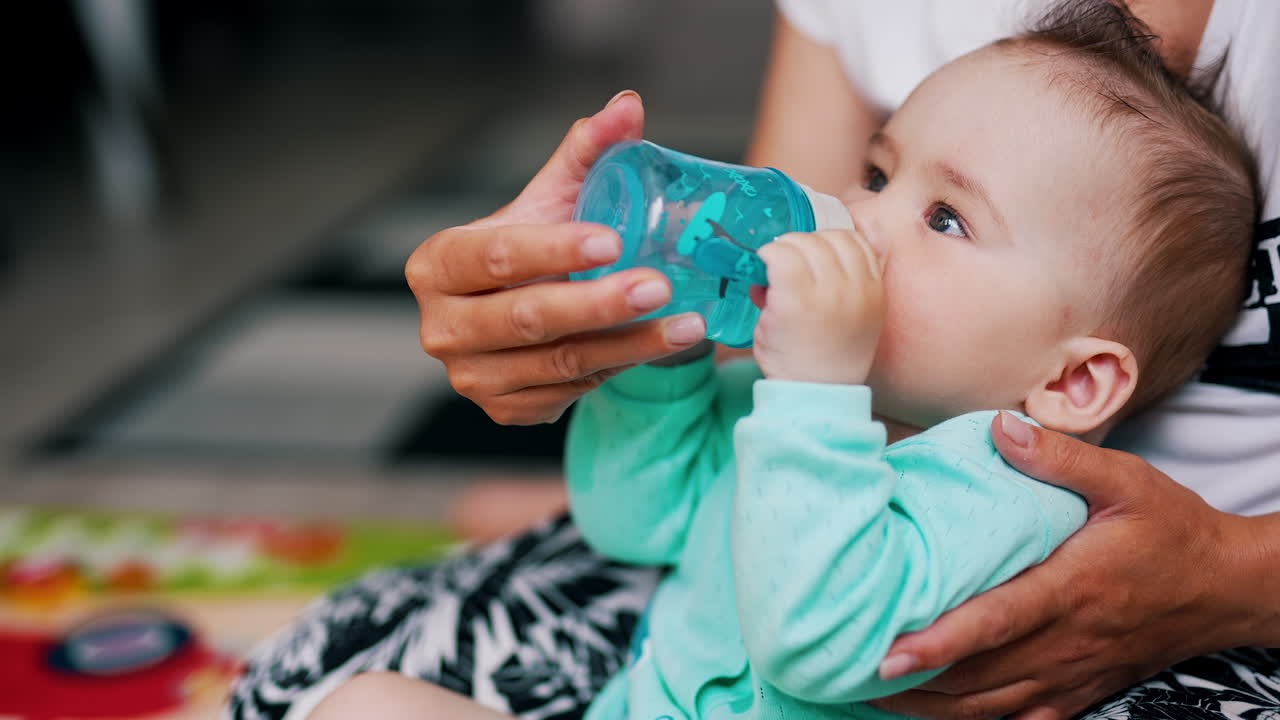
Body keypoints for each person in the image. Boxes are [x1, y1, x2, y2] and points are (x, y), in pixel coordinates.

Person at [226, 1, 1280, 719]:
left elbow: (817, 644)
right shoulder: (792, 411)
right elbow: (632, 519)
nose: (861, 222)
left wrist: (813, 393)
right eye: (877, 172)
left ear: (1069, 382)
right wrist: (667, 348)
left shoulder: (1008, 498)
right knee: (353, 701)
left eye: (945, 219)